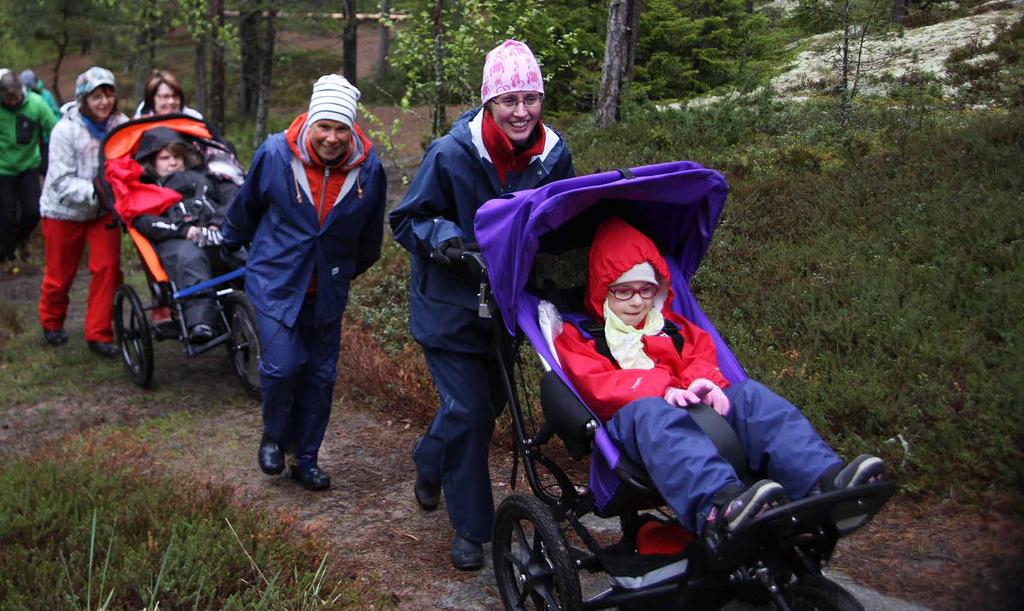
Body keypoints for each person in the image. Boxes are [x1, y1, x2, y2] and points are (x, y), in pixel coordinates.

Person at [553, 217, 886, 553]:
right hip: (633, 425)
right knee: (654, 413)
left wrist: (704, 381)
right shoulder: (583, 338)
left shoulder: (671, 326)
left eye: (646, 290)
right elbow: (595, 383)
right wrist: (662, 388)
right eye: (623, 291)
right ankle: (719, 506)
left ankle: (825, 482)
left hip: (699, 412)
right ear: (601, 289)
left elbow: (702, 355)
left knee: (750, 397)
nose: (637, 301)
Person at [389, 39, 575, 570]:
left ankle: (429, 457)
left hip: (506, 307)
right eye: (508, 100)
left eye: (530, 99)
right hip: (448, 306)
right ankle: (472, 531)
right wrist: (446, 238)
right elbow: (406, 218)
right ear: (488, 103)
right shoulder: (451, 153)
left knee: (486, 408)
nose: (521, 112)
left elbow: (560, 223)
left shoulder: (553, 156)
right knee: (470, 412)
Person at [222, 74, 387, 491]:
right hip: (276, 281)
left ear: (352, 131)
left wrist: (341, 273)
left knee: (320, 377)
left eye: (341, 129)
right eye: (324, 127)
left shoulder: (368, 170)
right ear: (310, 123)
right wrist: (233, 242)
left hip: (327, 289)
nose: (331, 138)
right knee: (282, 366)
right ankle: (275, 435)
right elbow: (247, 206)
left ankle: (306, 458)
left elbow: (369, 240)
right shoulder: (276, 155)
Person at [38, 66, 127, 357]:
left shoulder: (120, 124)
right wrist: (97, 192)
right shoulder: (65, 130)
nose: (104, 102)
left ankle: (99, 333)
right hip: (64, 211)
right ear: (83, 100)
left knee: (107, 268)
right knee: (60, 273)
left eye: (108, 95)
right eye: (96, 97)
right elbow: (61, 182)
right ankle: (51, 322)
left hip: (103, 212)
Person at [121, 127, 227, 342]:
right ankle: (200, 321)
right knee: (190, 257)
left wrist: (218, 223)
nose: (173, 162)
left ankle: (264, 309)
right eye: (165, 158)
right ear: (152, 162)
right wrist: (183, 229)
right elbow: (144, 221)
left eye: (178, 156)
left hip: (213, 231)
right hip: (176, 240)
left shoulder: (206, 177)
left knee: (245, 249)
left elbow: (231, 199)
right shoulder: (145, 191)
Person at [0, 68, 57, 273]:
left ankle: (20, 240)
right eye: (8, 98)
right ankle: (6, 254)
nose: (13, 102)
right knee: (6, 214)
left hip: (29, 166)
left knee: (33, 211)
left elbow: (55, 129)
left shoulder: (36, 104)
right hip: (3, 169)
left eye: (15, 97)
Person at [134, 70, 203, 119]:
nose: (171, 101)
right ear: (152, 99)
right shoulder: (140, 120)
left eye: (175, 96)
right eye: (165, 96)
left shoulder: (194, 118)